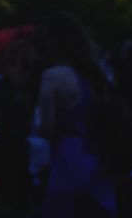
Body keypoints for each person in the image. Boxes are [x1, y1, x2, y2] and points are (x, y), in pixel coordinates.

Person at [37, 14, 116, 218]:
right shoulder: (96, 74)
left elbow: (48, 128)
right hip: (98, 156)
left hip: (67, 157)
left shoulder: (53, 76)